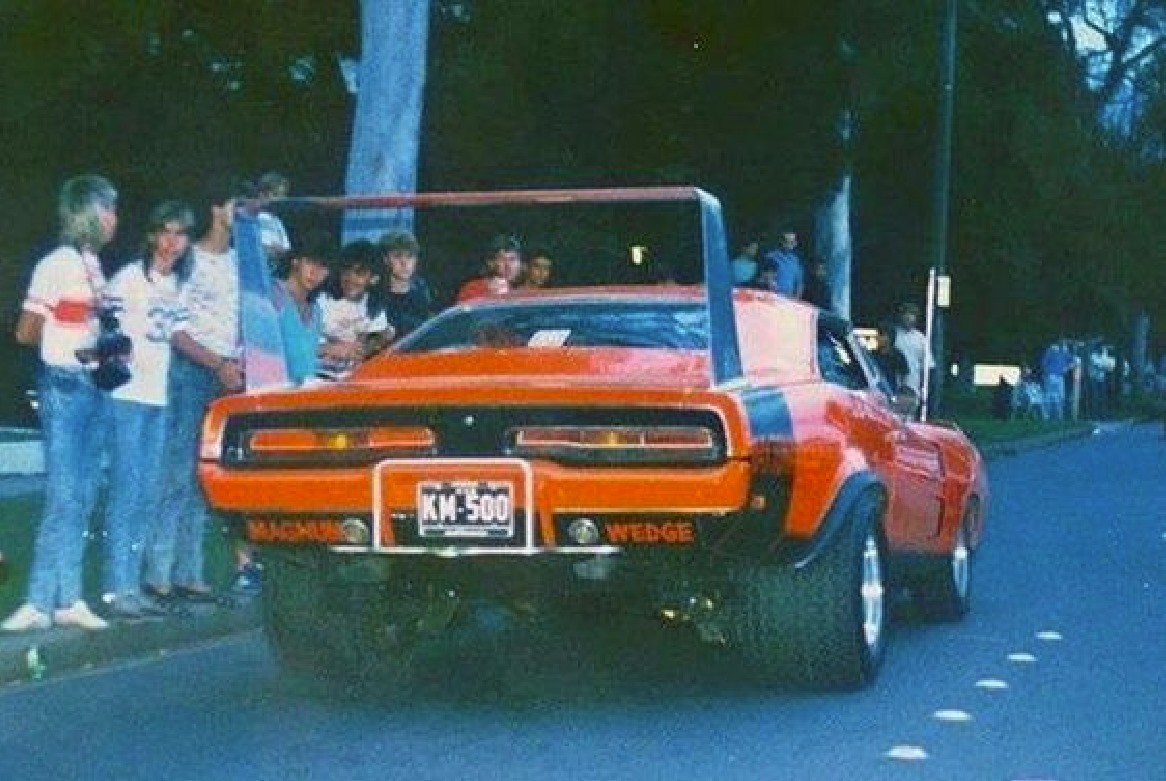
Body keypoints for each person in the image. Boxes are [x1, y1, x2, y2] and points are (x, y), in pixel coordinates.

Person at [3, 174, 120, 632]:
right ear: (89, 213)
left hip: (93, 387)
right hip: (65, 388)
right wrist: (65, 351)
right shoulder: (55, 265)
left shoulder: (93, 265)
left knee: (83, 495)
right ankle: (37, 601)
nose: (114, 219)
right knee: (63, 496)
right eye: (109, 209)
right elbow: (25, 331)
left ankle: (68, 599)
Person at [149, 177, 249, 606]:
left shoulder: (241, 260)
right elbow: (176, 327)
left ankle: (189, 573)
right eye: (235, 206)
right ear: (216, 208)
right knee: (176, 471)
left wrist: (236, 365)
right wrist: (215, 363)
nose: (241, 214)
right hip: (192, 370)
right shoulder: (191, 258)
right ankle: (157, 575)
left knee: (203, 477)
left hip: (227, 375)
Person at [101, 201, 194, 620]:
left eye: (181, 234)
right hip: (127, 398)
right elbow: (105, 327)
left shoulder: (178, 284)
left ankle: (133, 585)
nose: (172, 242)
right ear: (153, 235)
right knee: (125, 491)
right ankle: (115, 588)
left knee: (146, 493)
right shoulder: (129, 278)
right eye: (166, 232)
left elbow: (178, 335)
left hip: (158, 398)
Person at [273, 232, 342, 385]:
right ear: (295, 261)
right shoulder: (273, 295)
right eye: (311, 262)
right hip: (269, 390)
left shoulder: (316, 311)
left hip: (303, 393)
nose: (315, 273)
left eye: (323, 266)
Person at [316, 239, 393, 373]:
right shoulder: (322, 301)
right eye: (346, 271)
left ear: (374, 279)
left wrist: (376, 341)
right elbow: (304, 345)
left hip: (353, 373)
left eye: (359, 273)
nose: (350, 278)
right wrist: (332, 348)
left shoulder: (374, 305)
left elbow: (373, 340)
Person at [378, 229, 435, 339]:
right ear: (385, 259)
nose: (404, 263)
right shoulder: (375, 293)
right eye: (397, 256)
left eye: (410, 256)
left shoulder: (423, 290)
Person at [456, 234, 523, 302]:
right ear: (490, 263)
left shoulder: (522, 292)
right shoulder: (472, 289)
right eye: (502, 259)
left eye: (513, 259)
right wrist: (493, 295)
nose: (508, 265)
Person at [893, 302, 932, 399]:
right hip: (892, 387)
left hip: (913, 389)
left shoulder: (921, 338)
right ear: (901, 316)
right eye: (906, 313)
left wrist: (923, 389)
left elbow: (926, 367)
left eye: (912, 314)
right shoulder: (892, 335)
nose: (909, 317)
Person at [256, 171, 291, 267]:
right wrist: (271, 250)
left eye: (283, 195)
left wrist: (281, 251)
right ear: (262, 195)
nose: (280, 199)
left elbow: (286, 249)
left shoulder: (277, 221)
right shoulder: (254, 218)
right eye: (276, 195)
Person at [760, 229, 804, 298]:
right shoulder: (771, 257)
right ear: (782, 242)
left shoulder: (796, 260)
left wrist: (796, 299)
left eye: (792, 242)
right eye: (787, 241)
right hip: (772, 298)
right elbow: (765, 279)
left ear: (795, 243)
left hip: (789, 299)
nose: (789, 245)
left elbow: (799, 283)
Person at [870, 320, 909, 395]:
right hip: (873, 392)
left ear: (889, 337)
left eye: (881, 335)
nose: (877, 337)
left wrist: (900, 391)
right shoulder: (872, 354)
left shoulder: (898, 355)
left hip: (891, 393)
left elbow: (904, 375)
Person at [1039, 338, 1074, 421]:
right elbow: (1043, 363)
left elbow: (1073, 360)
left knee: (1060, 396)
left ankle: (1058, 416)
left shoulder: (1064, 351)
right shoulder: (1051, 350)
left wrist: (1067, 367)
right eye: (1063, 342)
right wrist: (1047, 373)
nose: (1064, 344)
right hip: (1051, 376)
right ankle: (1047, 416)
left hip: (1060, 376)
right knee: (1049, 396)